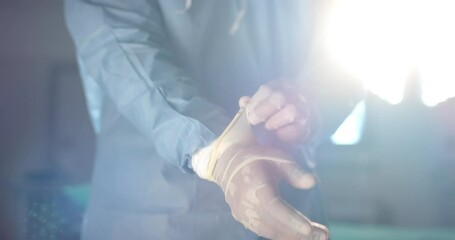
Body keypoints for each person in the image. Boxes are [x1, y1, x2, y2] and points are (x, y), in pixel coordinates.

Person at [64, 0, 363, 239]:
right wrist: (220, 151)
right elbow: (116, 41)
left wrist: (312, 100)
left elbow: (349, 52)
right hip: (163, 215)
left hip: (291, 203)